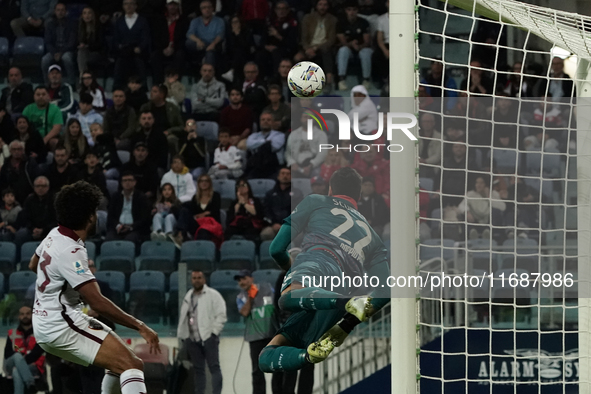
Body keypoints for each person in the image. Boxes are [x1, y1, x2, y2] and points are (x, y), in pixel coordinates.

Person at [27, 180, 160, 394]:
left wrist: (59, 286)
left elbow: (33, 264)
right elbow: (97, 302)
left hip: (46, 320)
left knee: (124, 365)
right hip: (61, 324)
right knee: (132, 366)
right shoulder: (71, 250)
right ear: (90, 217)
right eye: (95, 211)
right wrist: (140, 326)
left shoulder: (55, 234)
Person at [258, 167, 390, 372]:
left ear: (330, 189)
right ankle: (307, 356)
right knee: (265, 357)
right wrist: (347, 325)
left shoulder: (315, 201)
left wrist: (292, 270)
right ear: (359, 195)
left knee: (286, 298)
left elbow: (276, 249)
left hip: (319, 263)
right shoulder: (376, 239)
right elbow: (385, 292)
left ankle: (343, 303)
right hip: (341, 290)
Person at [177, 270, 227, 394]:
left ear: (204, 280)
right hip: (192, 339)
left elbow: (221, 315)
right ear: (191, 280)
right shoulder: (189, 296)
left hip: (208, 337)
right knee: (198, 370)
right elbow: (184, 316)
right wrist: (184, 336)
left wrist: (214, 332)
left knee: (214, 367)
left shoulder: (213, 294)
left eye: (199, 277)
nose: (197, 280)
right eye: (194, 278)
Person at [235, 269, 280, 394]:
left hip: (272, 335)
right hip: (255, 337)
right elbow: (244, 312)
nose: (242, 282)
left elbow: (277, 302)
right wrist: (251, 297)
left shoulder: (267, 288)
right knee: (257, 371)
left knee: (276, 367)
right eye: (239, 280)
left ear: (251, 278)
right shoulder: (240, 297)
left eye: (244, 278)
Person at [295, 0, 337, 91]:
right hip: (309, 47)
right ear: (316, 6)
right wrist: (307, 49)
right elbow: (303, 37)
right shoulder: (308, 18)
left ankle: (329, 82)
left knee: (327, 53)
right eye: (320, 5)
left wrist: (316, 48)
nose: (322, 7)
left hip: (323, 47)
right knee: (297, 58)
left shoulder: (333, 19)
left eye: (325, 5)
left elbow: (331, 39)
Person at [3, 306, 46, 394]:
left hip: (34, 366)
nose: (25, 316)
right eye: (22, 314)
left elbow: (36, 353)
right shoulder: (12, 333)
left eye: (27, 314)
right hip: (11, 364)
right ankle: (30, 383)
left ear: (32, 315)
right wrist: (19, 359)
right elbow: (7, 354)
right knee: (16, 356)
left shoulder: (39, 334)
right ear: (19, 316)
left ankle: (29, 384)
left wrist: (20, 362)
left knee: (16, 371)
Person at [112, 0, 151, 88]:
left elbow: (146, 38)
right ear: (123, 6)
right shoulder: (119, 21)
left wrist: (140, 48)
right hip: (123, 51)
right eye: (126, 4)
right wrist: (120, 47)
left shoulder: (142, 21)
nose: (128, 6)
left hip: (138, 52)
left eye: (131, 3)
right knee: (119, 63)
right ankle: (118, 89)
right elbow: (115, 39)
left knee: (139, 63)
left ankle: (142, 88)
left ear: (136, 6)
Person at [106, 171, 151, 246]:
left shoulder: (141, 197)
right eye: (125, 180)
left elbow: (145, 218)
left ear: (135, 182)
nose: (127, 182)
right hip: (118, 228)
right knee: (108, 240)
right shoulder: (116, 196)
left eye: (130, 180)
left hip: (135, 229)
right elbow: (110, 217)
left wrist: (131, 227)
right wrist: (118, 226)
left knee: (129, 241)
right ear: (121, 183)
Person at [335, 1, 372, 90]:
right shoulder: (341, 23)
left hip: (362, 48)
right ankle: (341, 80)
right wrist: (351, 44)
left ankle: (366, 80)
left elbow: (367, 42)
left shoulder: (364, 22)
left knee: (366, 52)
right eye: (349, 10)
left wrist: (359, 47)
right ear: (345, 11)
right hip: (349, 48)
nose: (352, 12)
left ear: (357, 11)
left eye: (354, 10)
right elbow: (342, 41)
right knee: (343, 50)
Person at [149, 0, 188, 85]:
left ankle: (175, 84)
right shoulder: (159, 19)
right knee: (154, 56)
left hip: (177, 48)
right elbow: (155, 37)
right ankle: (158, 84)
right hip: (163, 48)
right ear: (166, 6)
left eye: (175, 5)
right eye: (170, 5)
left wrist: (173, 48)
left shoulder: (183, 20)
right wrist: (164, 49)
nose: (172, 7)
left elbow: (184, 38)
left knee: (181, 55)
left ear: (178, 6)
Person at [139, 85, 184, 157]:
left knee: (171, 140)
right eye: (151, 91)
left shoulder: (172, 108)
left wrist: (169, 131)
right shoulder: (145, 107)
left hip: (166, 134)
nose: (151, 93)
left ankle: (175, 162)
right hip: (148, 133)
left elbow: (181, 126)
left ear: (162, 94)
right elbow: (139, 123)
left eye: (154, 91)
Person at [175, 174, 221, 243]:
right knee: (184, 211)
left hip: (210, 224)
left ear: (210, 183)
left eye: (206, 181)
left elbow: (215, 212)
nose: (204, 183)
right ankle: (180, 234)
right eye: (201, 181)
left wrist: (204, 214)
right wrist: (205, 213)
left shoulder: (216, 196)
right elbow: (193, 213)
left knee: (203, 232)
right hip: (198, 224)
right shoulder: (195, 198)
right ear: (198, 183)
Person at [261, 167, 303, 241]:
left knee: (300, 236)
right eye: (283, 173)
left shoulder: (297, 193)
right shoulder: (270, 194)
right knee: (266, 234)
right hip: (274, 225)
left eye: (288, 174)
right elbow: (266, 211)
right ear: (278, 176)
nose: (285, 176)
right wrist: (273, 224)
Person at [14, 175, 56, 248]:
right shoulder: (29, 200)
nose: (40, 188)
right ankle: (18, 258)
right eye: (37, 186)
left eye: (43, 186)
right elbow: (25, 217)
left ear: (48, 187)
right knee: (20, 234)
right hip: (32, 229)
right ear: (34, 187)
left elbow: (56, 219)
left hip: (49, 229)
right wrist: (33, 229)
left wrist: (43, 230)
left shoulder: (54, 200)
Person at [41, 2, 77, 85]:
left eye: (62, 10)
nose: (60, 12)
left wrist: (61, 53)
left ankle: (72, 83)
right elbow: (48, 42)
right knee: (44, 60)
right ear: (54, 11)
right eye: (58, 10)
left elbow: (72, 42)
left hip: (67, 50)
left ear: (66, 12)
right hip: (54, 50)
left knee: (67, 59)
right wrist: (54, 53)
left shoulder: (72, 24)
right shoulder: (50, 24)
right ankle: (47, 84)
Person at [285, 112, 328, 178]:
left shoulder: (321, 134)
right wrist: (292, 163)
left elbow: (323, 153)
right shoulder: (293, 134)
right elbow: (288, 152)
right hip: (296, 164)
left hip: (314, 165)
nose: (308, 119)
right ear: (301, 119)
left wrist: (311, 165)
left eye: (311, 118)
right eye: (305, 117)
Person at [245, 112, 285, 179]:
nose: (265, 121)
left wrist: (257, 144)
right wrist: (265, 141)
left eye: (268, 120)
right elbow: (249, 145)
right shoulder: (254, 135)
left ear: (272, 122)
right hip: (256, 166)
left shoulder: (279, 135)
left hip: (273, 167)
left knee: (266, 147)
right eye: (263, 120)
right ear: (260, 122)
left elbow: (274, 147)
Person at [185, 0, 225, 67]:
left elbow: (220, 35)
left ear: (212, 8)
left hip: (213, 45)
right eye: (204, 8)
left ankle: (207, 74)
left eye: (209, 7)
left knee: (210, 53)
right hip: (199, 45)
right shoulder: (195, 21)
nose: (207, 9)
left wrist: (213, 44)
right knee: (188, 42)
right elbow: (189, 33)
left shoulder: (219, 21)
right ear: (201, 10)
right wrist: (198, 41)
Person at [0, 140, 39, 205]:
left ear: (23, 150)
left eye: (19, 149)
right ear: (10, 151)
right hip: (12, 198)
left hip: (30, 195)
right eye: (14, 149)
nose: (16, 151)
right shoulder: (6, 165)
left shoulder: (30, 162)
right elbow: (2, 184)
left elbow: (37, 178)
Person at [77, 6, 107, 76]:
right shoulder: (80, 27)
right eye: (84, 13)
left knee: (83, 54)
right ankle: (84, 75)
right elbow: (77, 41)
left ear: (93, 15)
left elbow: (100, 44)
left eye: (89, 13)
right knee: (81, 52)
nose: (87, 15)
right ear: (82, 16)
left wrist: (87, 46)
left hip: (97, 52)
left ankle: (83, 77)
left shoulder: (98, 27)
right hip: (84, 52)